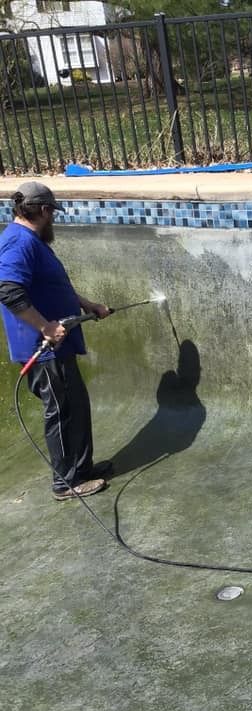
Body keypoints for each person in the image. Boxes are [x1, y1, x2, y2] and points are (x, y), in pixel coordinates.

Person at [0, 181, 112, 501]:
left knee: (76, 405)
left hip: (55, 347)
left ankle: (82, 469)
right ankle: (66, 482)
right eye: (53, 214)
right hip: (42, 350)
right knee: (61, 411)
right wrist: (44, 327)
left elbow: (50, 284)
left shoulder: (29, 240)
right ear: (45, 211)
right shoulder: (19, 243)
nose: (54, 221)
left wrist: (86, 304)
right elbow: (7, 290)